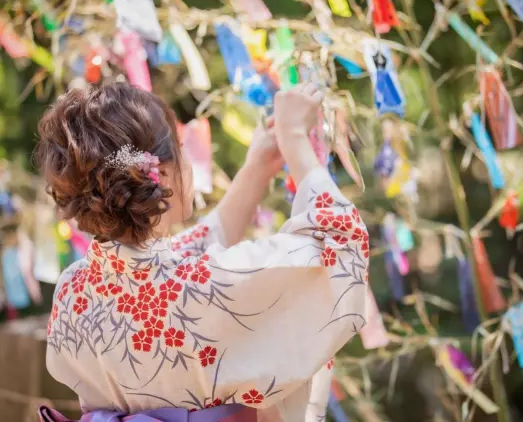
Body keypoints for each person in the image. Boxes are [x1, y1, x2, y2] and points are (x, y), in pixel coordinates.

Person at [36, 82, 369, 422]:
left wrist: (255, 169)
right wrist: (295, 139)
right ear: (162, 176)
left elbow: (169, 268)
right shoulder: (204, 288)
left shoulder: (71, 292)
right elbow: (341, 249)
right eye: (181, 148)